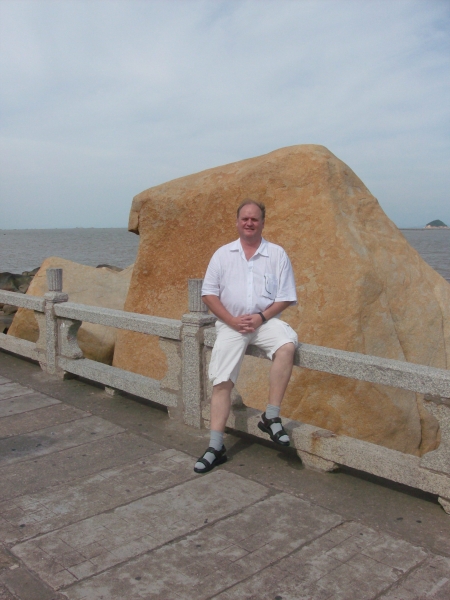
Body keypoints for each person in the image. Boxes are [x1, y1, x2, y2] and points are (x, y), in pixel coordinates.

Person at [194, 199, 298, 473]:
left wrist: (261, 317)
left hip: (265, 321)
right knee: (222, 380)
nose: (249, 223)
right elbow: (208, 294)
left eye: (254, 219)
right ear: (237, 222)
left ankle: (271, 417)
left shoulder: (276, 254)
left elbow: (286, 296)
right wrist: (231, 320)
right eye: (245, 218)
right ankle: (215, 446)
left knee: (287, 345)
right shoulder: (222, 254)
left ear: (262, 223)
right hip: (231, 324)